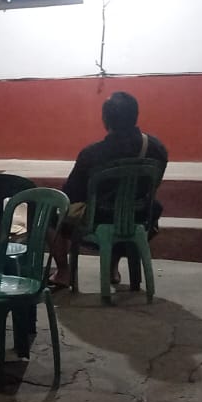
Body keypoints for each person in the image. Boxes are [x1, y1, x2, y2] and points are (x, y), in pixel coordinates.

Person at [49, 91, 168, 288]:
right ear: (135, 115)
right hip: (140, 217)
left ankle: (63, 272)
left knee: (48, 211)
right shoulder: (157, 148)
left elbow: (70, 194)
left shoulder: (92, 154)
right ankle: (112, 267)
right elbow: (153, 185)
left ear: (105, 120)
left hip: (98, 219)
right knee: (126, 207)